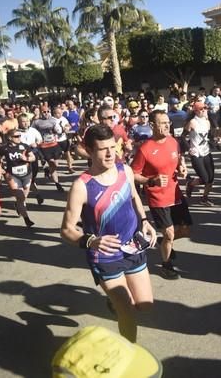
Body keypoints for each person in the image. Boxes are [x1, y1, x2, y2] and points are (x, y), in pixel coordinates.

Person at [60, 125, 156, 343]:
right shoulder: (81, 186)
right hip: (105, 257)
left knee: (145, 305)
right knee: (128, 310)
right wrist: (91, 241)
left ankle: (113, 302)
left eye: (113, 147)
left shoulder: (125, 171)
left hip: (133, 247)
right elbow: (66, 230)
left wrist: (144, 221)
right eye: (103, 149)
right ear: (89, 151)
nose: (111, 153)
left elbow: (134, 197)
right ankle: (129, 354)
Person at [131, 110, 191, 280]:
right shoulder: (145, 149)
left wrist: (182, 168)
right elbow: (133, 174)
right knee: (170, 233)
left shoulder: (173, 141)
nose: (167, 125)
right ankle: (166, 265)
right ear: (152, 125)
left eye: (168, 122)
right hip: (158, 197)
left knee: (185, 230)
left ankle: (161, 241)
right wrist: (151, 181)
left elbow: (178, 158)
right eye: (162, 122)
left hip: (175, 193)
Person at [1, 129, 37, 227]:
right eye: (16, 136)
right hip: (13, 175)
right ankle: (27, 219)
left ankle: (17, 205)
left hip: (27, 174)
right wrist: (0, 169)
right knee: (20, 196)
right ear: (10, 138)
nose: (19, 138)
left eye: (19, 136)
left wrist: (27, 159)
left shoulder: (24, 146)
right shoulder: (4, 148)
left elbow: (33, 157)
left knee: (23, 197)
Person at [185, 101, 215, 206]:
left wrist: (215, 140)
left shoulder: (207, 122)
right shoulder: (192, 122)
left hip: (206, 152)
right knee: (204, 178)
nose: (204, 110)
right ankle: (191, 184)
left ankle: (204, 198)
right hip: (196, 153)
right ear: (196, 111)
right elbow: (183, 137)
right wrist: (189, 148)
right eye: (202, 109)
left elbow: (209, 136)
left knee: (211, 178)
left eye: (205, 108)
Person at [32, 105, 65, 193]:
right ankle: (57, 183)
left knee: (55, 166)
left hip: (54, 145)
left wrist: (60, 130)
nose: (46, 113)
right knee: (52, 163)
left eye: (47, 111)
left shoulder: (53, 120)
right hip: (44, 146)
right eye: (44, 112)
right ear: (40, 112)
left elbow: (59, 130)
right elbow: (32, 132)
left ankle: (48, 171)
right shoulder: (36, 122)